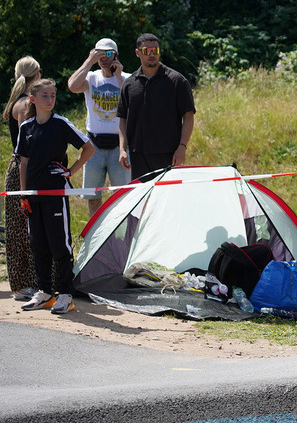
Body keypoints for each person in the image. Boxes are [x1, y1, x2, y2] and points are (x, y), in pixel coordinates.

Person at [16, 79, 95, 314]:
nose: (50, 100)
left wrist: (71, 171)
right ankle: (45, 293)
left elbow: (88, 148)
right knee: (38, 244)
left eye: (53, 96)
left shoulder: (60, 124)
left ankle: (66, 294)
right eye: (45, 96)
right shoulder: (26, 127)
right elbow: (23, 163)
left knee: (59, 245)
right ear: (33, 99)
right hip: (33, 194)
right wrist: (23, 194)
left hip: (55, 194)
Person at [116, 33, 196, 181]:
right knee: (145, 202)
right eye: (147, 51)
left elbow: (189, 116)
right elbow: (122, 120)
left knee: (169, 201)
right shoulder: (129, 84)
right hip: (138, 156)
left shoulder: (177, 81)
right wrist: (122, 150)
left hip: (170, 155)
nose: (152, 54)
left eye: (156, 50)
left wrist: (182, 147)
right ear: (137, 53)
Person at [67, 37, 130, 216]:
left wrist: (118, 76)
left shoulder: (126, 78)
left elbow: (132, 100)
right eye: (100, 54)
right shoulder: (91, 78)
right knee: (93, 196)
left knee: (122, 196)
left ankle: (121, 240)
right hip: (95, 145)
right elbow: (72, 86)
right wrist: (89, 61)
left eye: (108, 54)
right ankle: (96, 238)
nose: (104, 58)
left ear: (116, 55)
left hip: (120, 146)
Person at [2, 56, 41, 300]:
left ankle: (24, 282)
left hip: (18, 168)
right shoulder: (26, 104)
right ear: (36, 75)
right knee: (24, 228)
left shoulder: (17, 101)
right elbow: (30, 142)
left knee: (20, 228)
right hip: (25, 170)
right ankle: (25, 283)